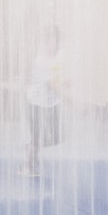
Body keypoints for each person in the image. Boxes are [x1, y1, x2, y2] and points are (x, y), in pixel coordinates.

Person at [21, 25, 65, 177]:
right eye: (51, 41)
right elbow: (53, 84)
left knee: (58, 136)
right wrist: (74, 101)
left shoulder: (57, 58)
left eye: (56, 41)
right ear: (45, 42)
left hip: (52, 103)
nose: (54, 44)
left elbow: (58, 78)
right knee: (37, 137)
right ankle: (27, 167)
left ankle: (31, 148)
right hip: (36, 103)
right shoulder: (41, 60)